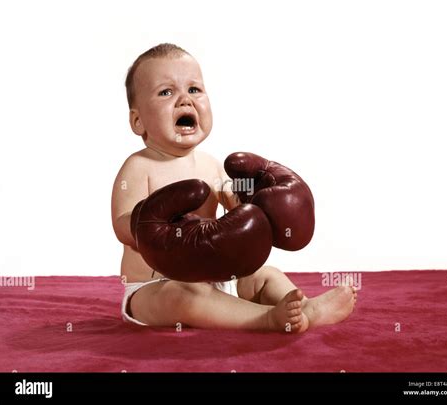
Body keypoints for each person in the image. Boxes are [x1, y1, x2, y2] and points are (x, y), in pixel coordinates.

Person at [111, 43, 357, 333]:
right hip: (154, 288)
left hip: (219, 278)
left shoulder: (211, 165)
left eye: (194, 90)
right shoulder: (139, 167)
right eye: (166, 92)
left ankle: (305, 310)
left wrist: (251, 201)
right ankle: (264, 318)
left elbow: (237, 208)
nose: (184, 101)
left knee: (266, 275)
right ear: (138, 121)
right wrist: (149, 219)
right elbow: (122, 224)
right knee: (181, 296)